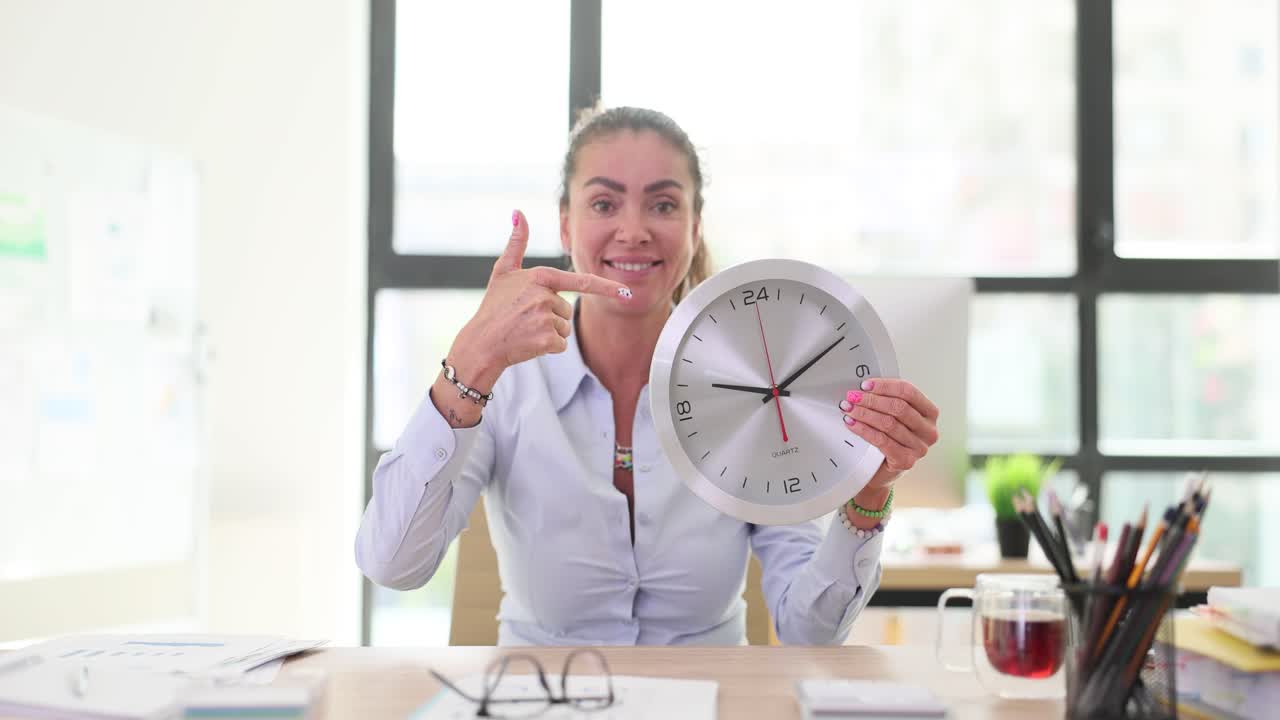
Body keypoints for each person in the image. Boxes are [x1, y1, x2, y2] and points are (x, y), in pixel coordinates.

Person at [355, 107, 940, 645]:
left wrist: (867, 493)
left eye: (663, 205)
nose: (633, 230)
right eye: (604, 204)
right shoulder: (506, 382)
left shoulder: (762, 387)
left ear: (695, 226)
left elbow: (807, 632)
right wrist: (469, 364)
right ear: (565, 224)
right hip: (542, 701)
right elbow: (392, 565)